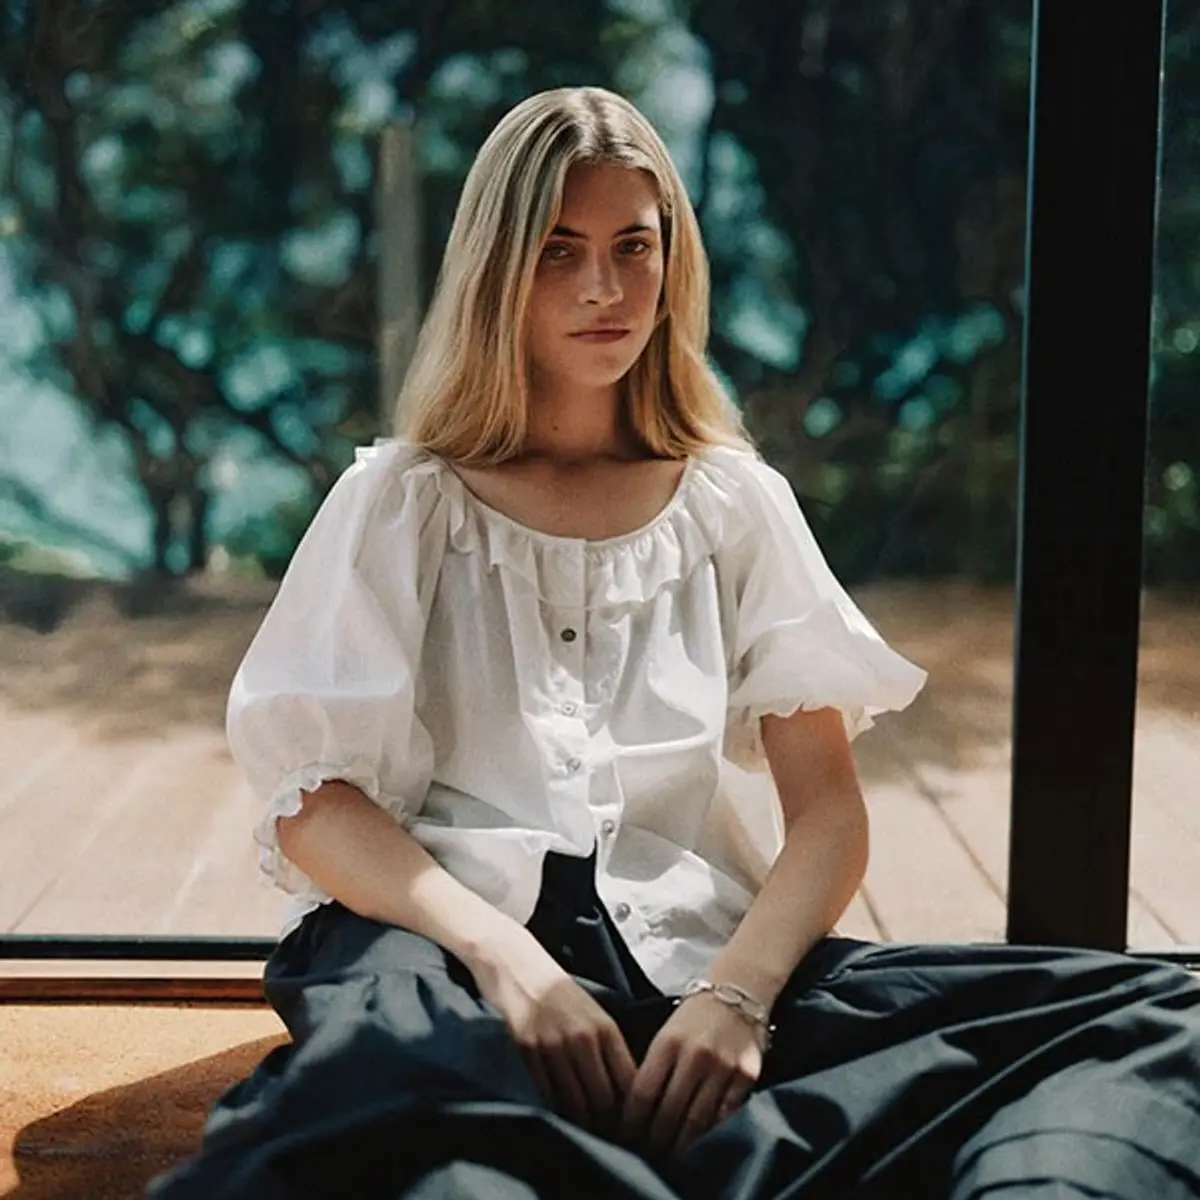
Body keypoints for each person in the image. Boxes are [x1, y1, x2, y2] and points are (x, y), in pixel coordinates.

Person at [149, 86, 1200, 1200]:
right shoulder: (403, 502)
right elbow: (313, 801)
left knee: (1151, 1020)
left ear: (673, 258)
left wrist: (737, 1000)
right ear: (496, 268)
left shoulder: (734, 505)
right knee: (403, 1105)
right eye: (559, 251)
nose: (605, 289)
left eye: (632, 247)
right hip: (440, 961)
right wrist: (509, 963)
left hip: (699, 966)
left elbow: (829, 813)